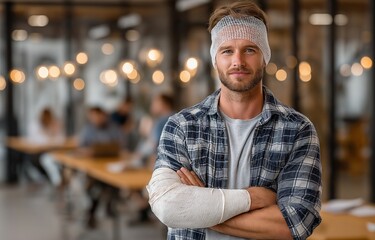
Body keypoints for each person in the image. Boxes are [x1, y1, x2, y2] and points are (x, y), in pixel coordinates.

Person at [147, 1, 322, 240]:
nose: (237, 61)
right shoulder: (182, 127)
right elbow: (168, 206)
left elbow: (295, 224)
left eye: (249, 49)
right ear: (215, 59)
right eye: (227, 51)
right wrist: (253, 199)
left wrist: (202, 208)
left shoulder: (297, 130)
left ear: (265, 57)